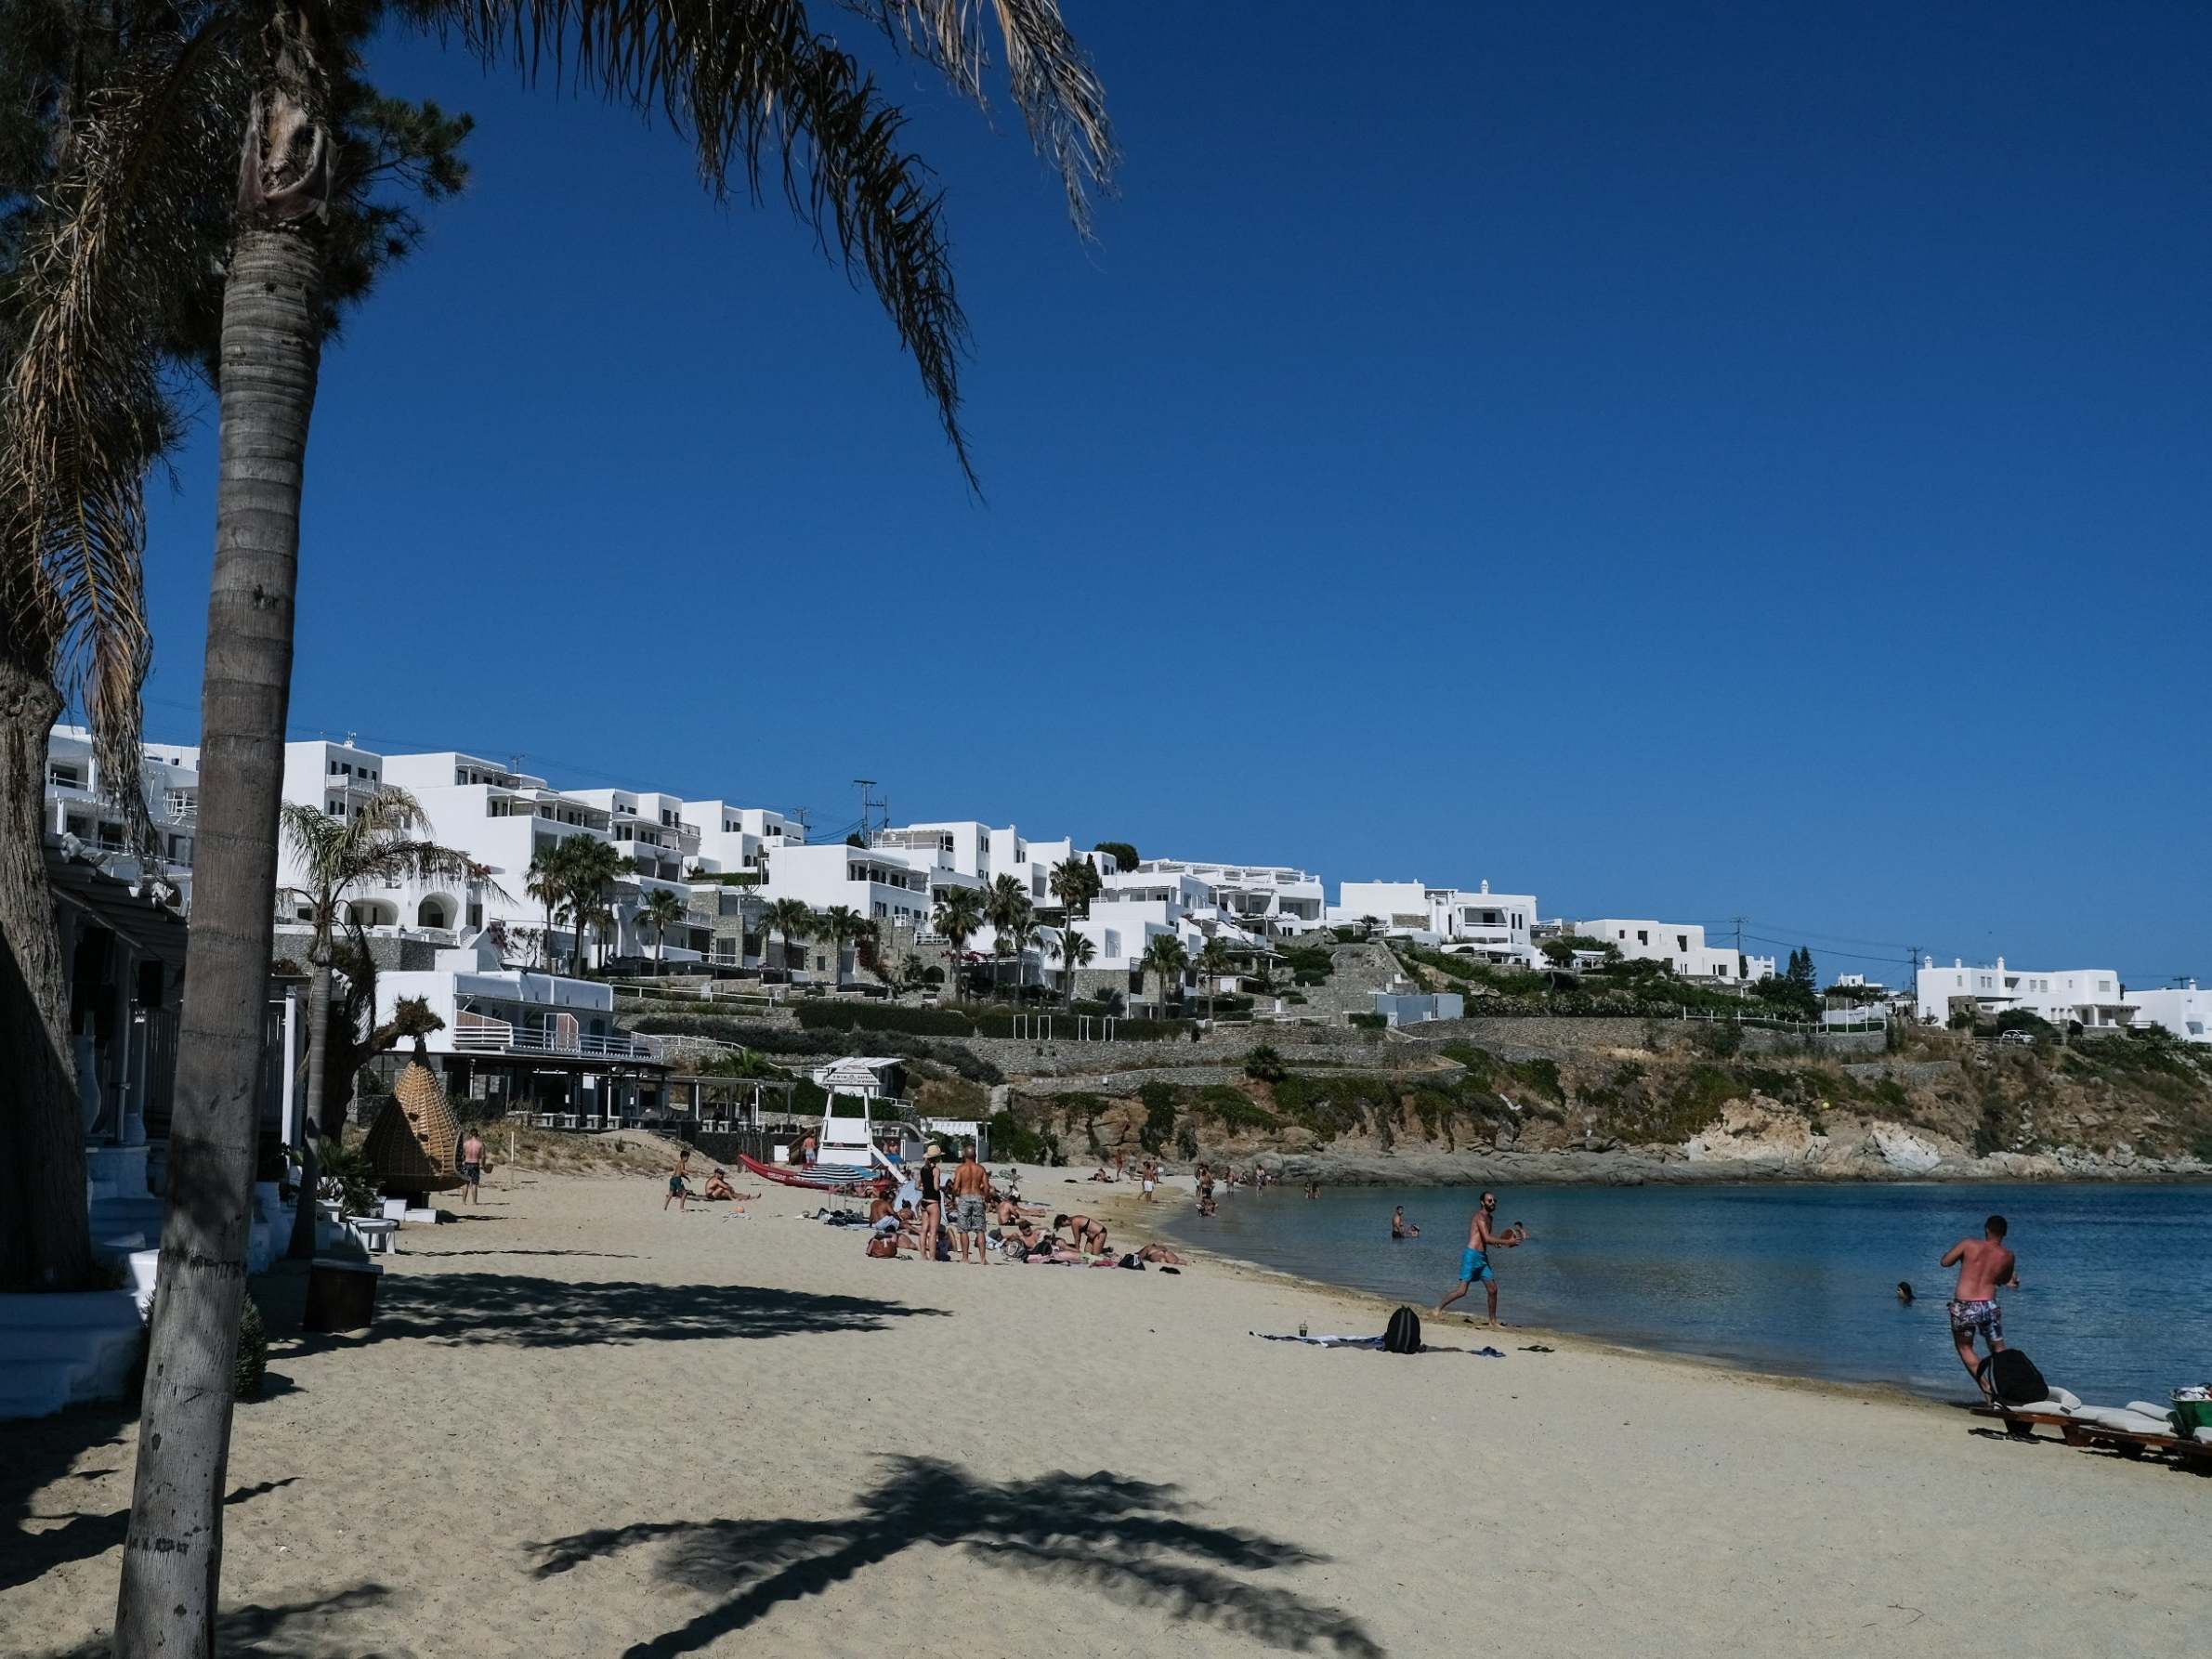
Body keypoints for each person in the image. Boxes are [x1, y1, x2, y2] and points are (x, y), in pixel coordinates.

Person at [1942, 1214, 2020, 1395]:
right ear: (2005, 1233)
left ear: (1986, 1229)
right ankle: (2009, 1389)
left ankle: (1987, 1388)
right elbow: (2003, 1279)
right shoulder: (2008, 1255)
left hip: (1965, 1306)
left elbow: (1945, 1262)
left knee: (1965, 1347)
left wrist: (1963, 1259)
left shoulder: (1968, 1244)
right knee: (1999, 1349)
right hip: (1989, 1306)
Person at [1435, 1191, 1526, 1326]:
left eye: (1494, 1200)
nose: (1493, 1203)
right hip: (1471, 1256)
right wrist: (1507, 1242)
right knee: (1462, 1291)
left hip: (1483, 1258)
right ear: (1482, 1202)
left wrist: (1498, 1242)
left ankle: (1492, 1321)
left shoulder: (1490, 1218)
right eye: (1489, 1201)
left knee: (1493, 1289)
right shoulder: (1480, 1217)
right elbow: (1487, 1238)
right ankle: (1438, 1309)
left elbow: (1487, 1240)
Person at [949, 1143, 992, 1265]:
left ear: (964, 1155)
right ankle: (983, 1259)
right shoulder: (981, 1169)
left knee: (963, 1230)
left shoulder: (960, 1169)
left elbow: (956, 1187)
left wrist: (953, 1196)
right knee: (980, 1230)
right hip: (978, 1197)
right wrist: (985, 1198)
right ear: (975, 1155)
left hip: (964, 1197)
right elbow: (987, 1187)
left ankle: (965, 1258)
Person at [916, 1143, 944, 1263]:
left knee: (923, 1230)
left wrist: (926, 1189)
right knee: (933, 1232)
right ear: (937, 1158)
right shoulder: (936, 1170)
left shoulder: (923, 1169)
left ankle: (923, 1255)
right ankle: (932, 1257)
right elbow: (936, 1187)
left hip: (924, 1202)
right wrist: (942, 1188)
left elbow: (917, 1185)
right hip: (933, 1202)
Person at [458, 1130, 484, 1205]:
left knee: (465, 1183)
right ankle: (474, 1202)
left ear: (470, 1135)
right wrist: (483, 1165)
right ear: (477, 1135)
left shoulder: (465, 1143)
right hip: (475, 1164)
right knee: (474, 1184)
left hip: (466, 1164)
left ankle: (463, 1202)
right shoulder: (480, 1144)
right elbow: (482, 1156)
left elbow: (462, 1155)